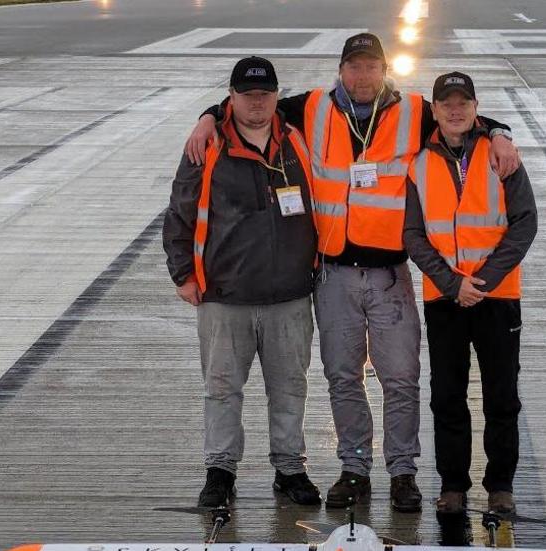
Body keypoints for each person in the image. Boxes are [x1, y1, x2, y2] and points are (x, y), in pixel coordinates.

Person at [184, 33, 521, 513]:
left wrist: (501, 133)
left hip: (390, 273)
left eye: (371, 67)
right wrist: (208, 116)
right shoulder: (313, 106)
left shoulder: (414, 111)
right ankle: (355, 468)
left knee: (401, 378)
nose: (362, 77)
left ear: (385, 70)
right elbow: (252, 104)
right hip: (334, 274)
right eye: (354, 67)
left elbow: (461, 120)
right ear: (340, 70)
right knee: (343, 377)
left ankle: (402, 471)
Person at [162, 56, 322, 508]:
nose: (257, 104)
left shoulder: (298, 138)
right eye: (247, 96)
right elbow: (179, 213)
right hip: (225, 296)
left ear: (276, 96)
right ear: (230, 98)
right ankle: (220, 470)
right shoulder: (205, 147)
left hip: (289, 295)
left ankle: (290, 467)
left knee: (290, 386)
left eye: (265, 95)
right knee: (221, 387)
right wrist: (183, 275)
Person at [403, 72, 537, 516]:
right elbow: (414, 234)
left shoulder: (502, 155)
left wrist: (481, 282)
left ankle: (501, 486)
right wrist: (450, 282)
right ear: (435, 110)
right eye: (447, 103)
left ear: (477, 108)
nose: (456, 110)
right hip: (445, 299)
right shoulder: (418, 161)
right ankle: (453, 485)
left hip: (496, 297)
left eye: (464, 102)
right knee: (447, 396)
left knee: (502, 396)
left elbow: (525, 224)